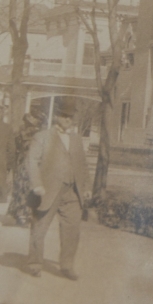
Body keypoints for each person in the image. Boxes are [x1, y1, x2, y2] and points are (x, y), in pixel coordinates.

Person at [26, 109, 91, 279]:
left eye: (70, 116)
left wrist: (87, 187)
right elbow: (32, 161)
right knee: (39, 227)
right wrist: (37, 184)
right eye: (64, 116)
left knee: (72, 229)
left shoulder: (76, 139)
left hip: (72, 191)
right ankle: (35, 263)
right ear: (56, 117)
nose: (68, 119)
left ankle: (67, 265)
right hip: (48, 190)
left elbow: (83, 164)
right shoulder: (43, 136)